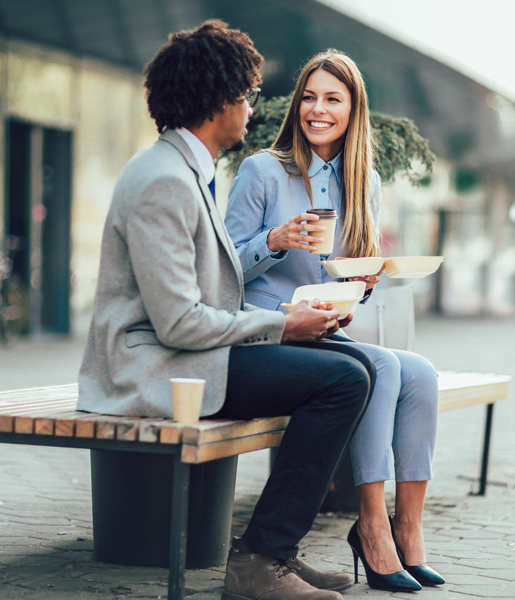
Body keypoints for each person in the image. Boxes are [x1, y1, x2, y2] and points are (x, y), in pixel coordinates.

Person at [77, 22, 376, 600]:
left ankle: (273, 552)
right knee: (341, 381)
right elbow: (179, 322)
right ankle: (262, 558)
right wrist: (283, 325)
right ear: (219, 102)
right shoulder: (163, 180)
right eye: (247, 96)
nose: (250, 109)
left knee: (353, 371)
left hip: (191, 357)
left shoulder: (188, 170)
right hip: (155, 365)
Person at [224, 49, 444, 591]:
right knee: (383, 371)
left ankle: (407, 530)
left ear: (353, 110)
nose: (317, 109)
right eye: (310, 97)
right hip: (265, 326)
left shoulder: (360, 179)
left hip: (322, 329)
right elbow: (221, 268)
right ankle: (370, 526)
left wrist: (360, 285)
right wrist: (274, 242)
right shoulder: (262, 172)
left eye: (332, 99)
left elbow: (343, 280)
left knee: (421, 374)